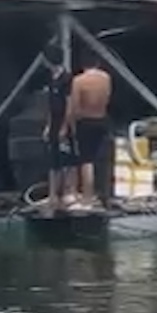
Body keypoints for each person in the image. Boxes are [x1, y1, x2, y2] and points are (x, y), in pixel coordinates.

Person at [67, 50, 113, 209]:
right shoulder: (106, 78)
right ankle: (103, 194)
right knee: (101, 159)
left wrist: (70, 124)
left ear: (81, 65)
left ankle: (87, 197)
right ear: (98, 62)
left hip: (85, 121)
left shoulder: (78, 81)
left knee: (86, 161)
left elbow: (74, 106)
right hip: (102, 118)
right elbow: (107, 98)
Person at [41, 41, 77, 209]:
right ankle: (53, 193)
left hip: (64, 122)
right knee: (52, 159)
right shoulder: (50, 79)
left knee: (67, 159)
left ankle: (69, 191)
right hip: (54, 121)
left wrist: (65, 126)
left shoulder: (67, 78)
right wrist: (48, 126)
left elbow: (70, 104)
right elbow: (50, 104)